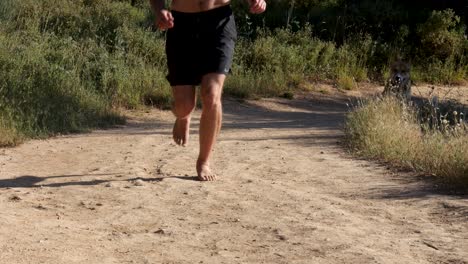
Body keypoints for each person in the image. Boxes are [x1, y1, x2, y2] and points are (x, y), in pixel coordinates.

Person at [149, 0, 267, 181]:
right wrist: (159, 11)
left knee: (212, 94)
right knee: (184, 106)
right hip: (180, 24)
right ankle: (183, 116)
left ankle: (204, 161)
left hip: (219, 22)